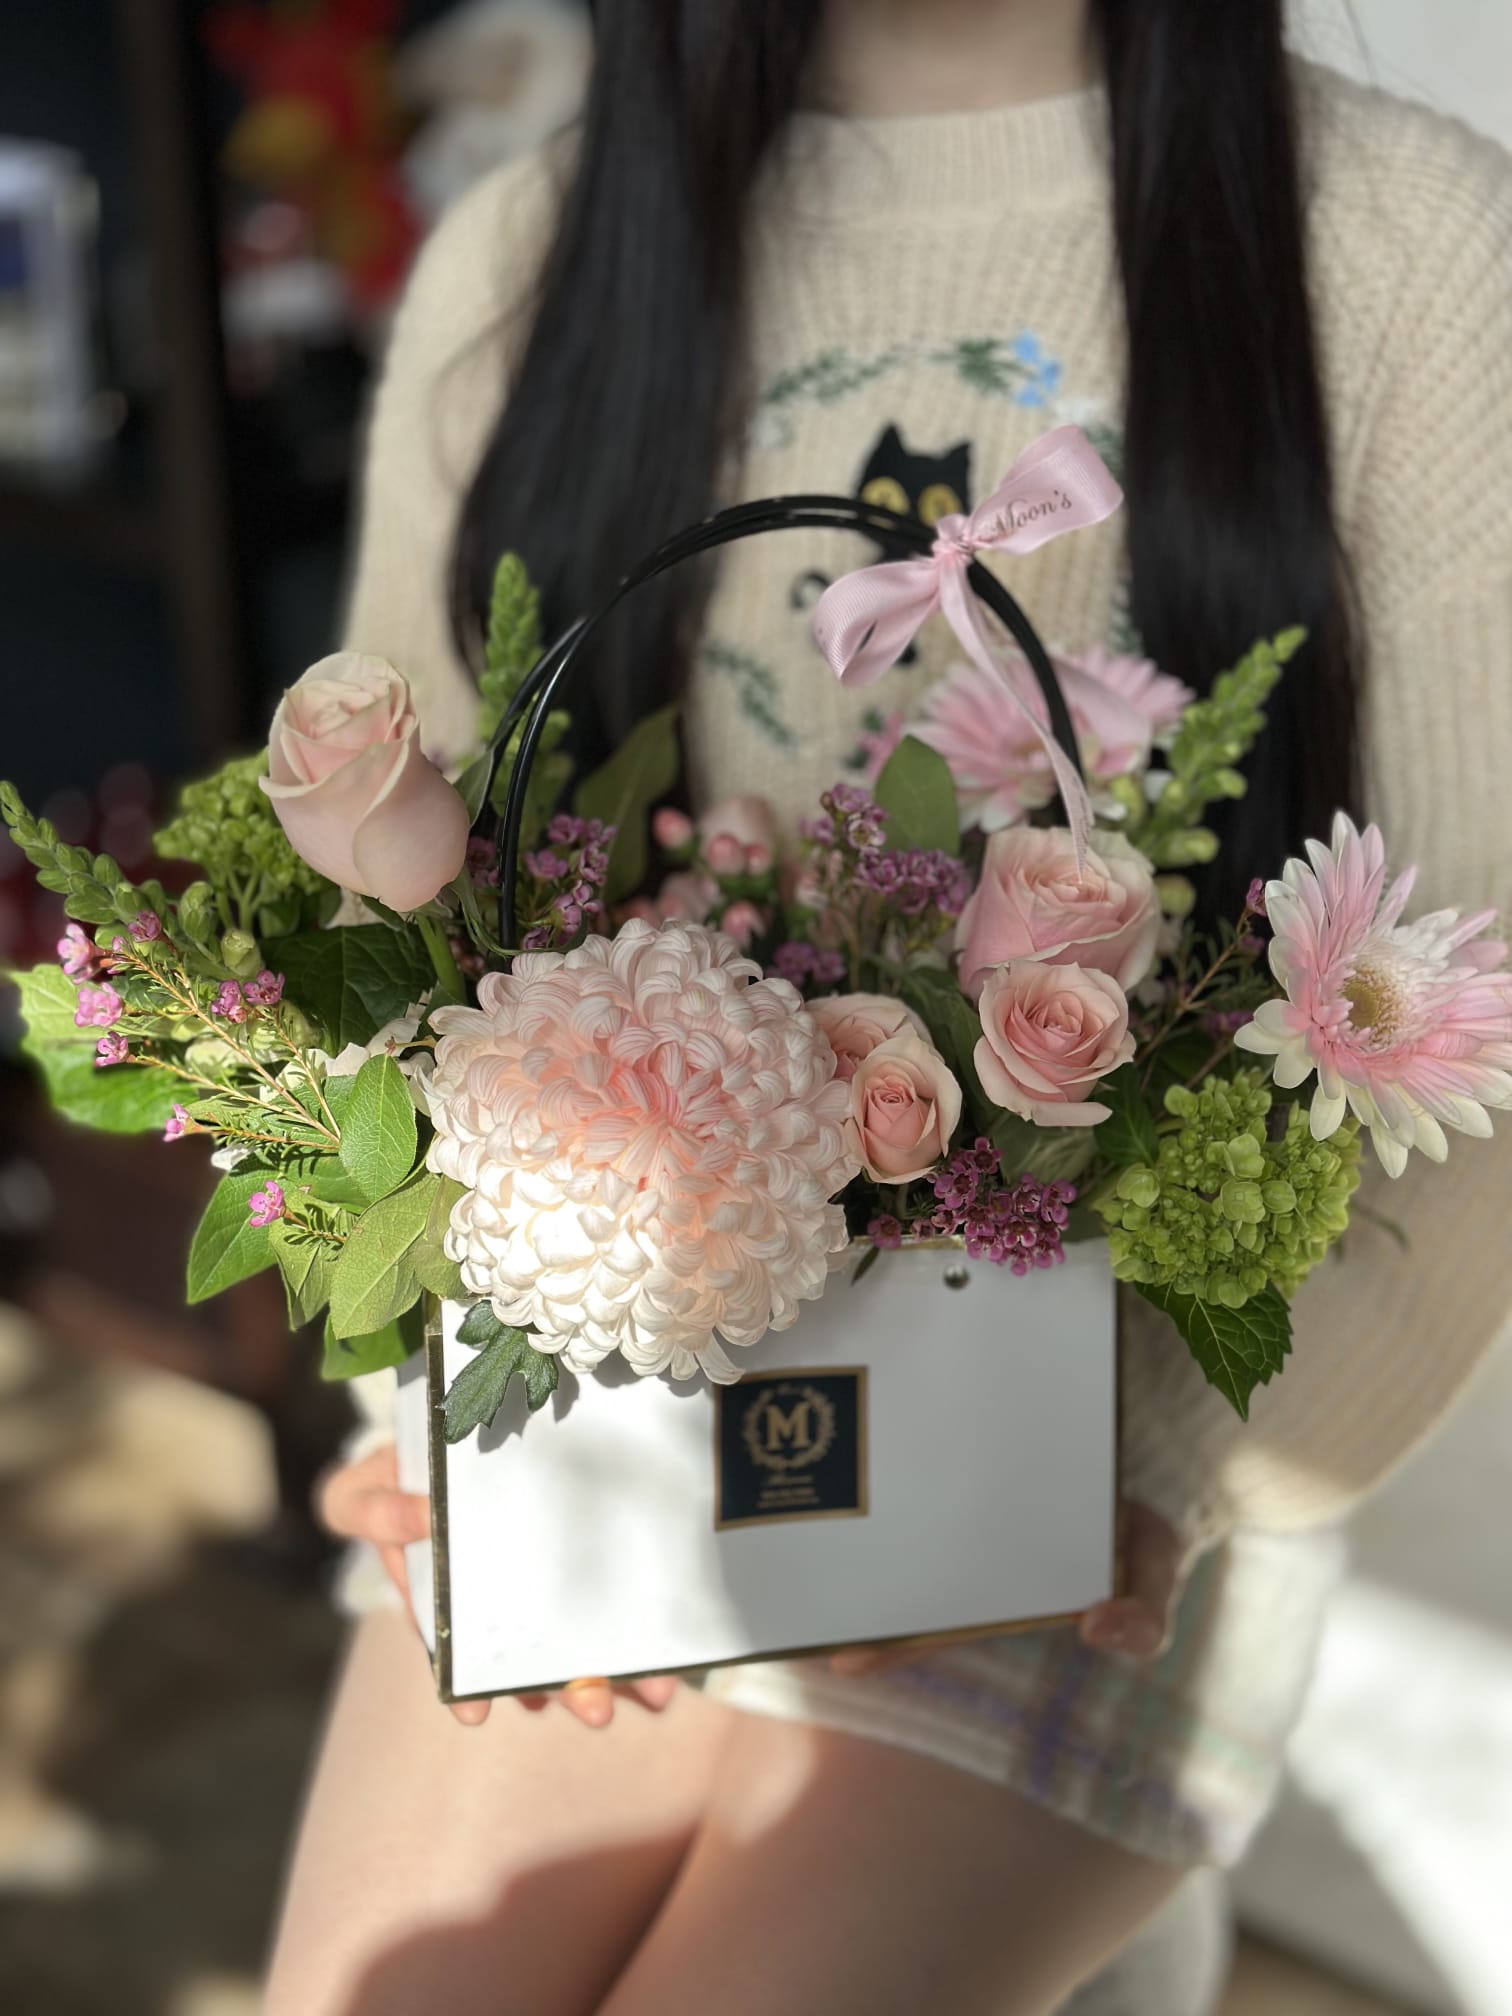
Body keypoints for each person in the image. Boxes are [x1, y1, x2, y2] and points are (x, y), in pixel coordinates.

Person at [265, 3, 1512, 2011]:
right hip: (608, 1434)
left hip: (1103, 1469)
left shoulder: (1413, 252)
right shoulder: (527, 262)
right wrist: (418, 1408)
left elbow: (1485, 1030)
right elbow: (374, 954)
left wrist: (1154, 1478)